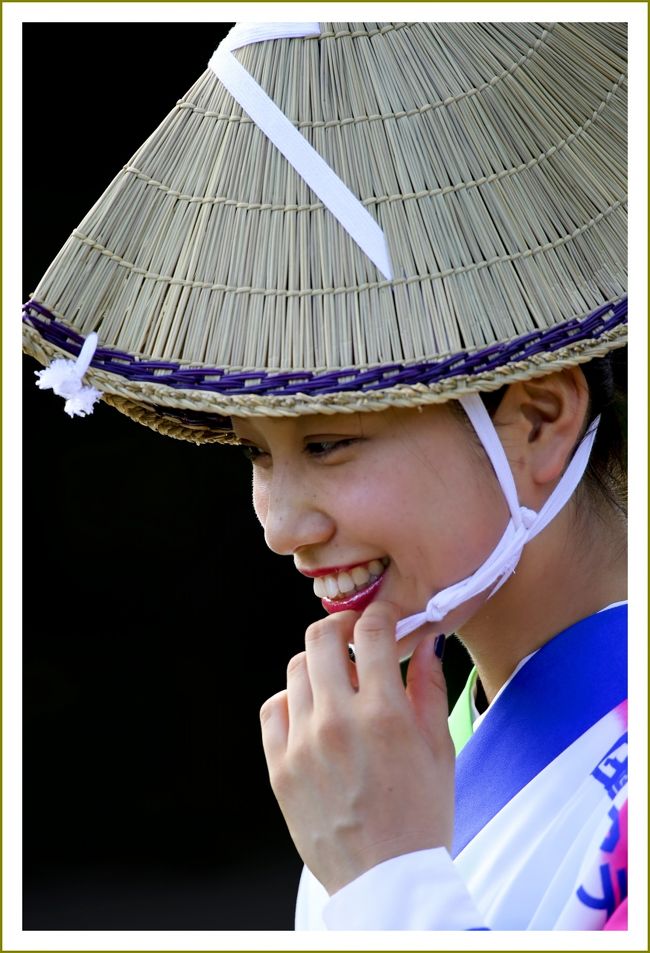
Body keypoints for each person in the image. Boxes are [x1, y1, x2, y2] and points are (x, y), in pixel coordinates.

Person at [23, 21, 627, 930]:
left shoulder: (382, 816)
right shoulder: (388, 770)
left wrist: (386, 882)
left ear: (537, 420)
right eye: (258, 451)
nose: (279, 522)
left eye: (329, 443)